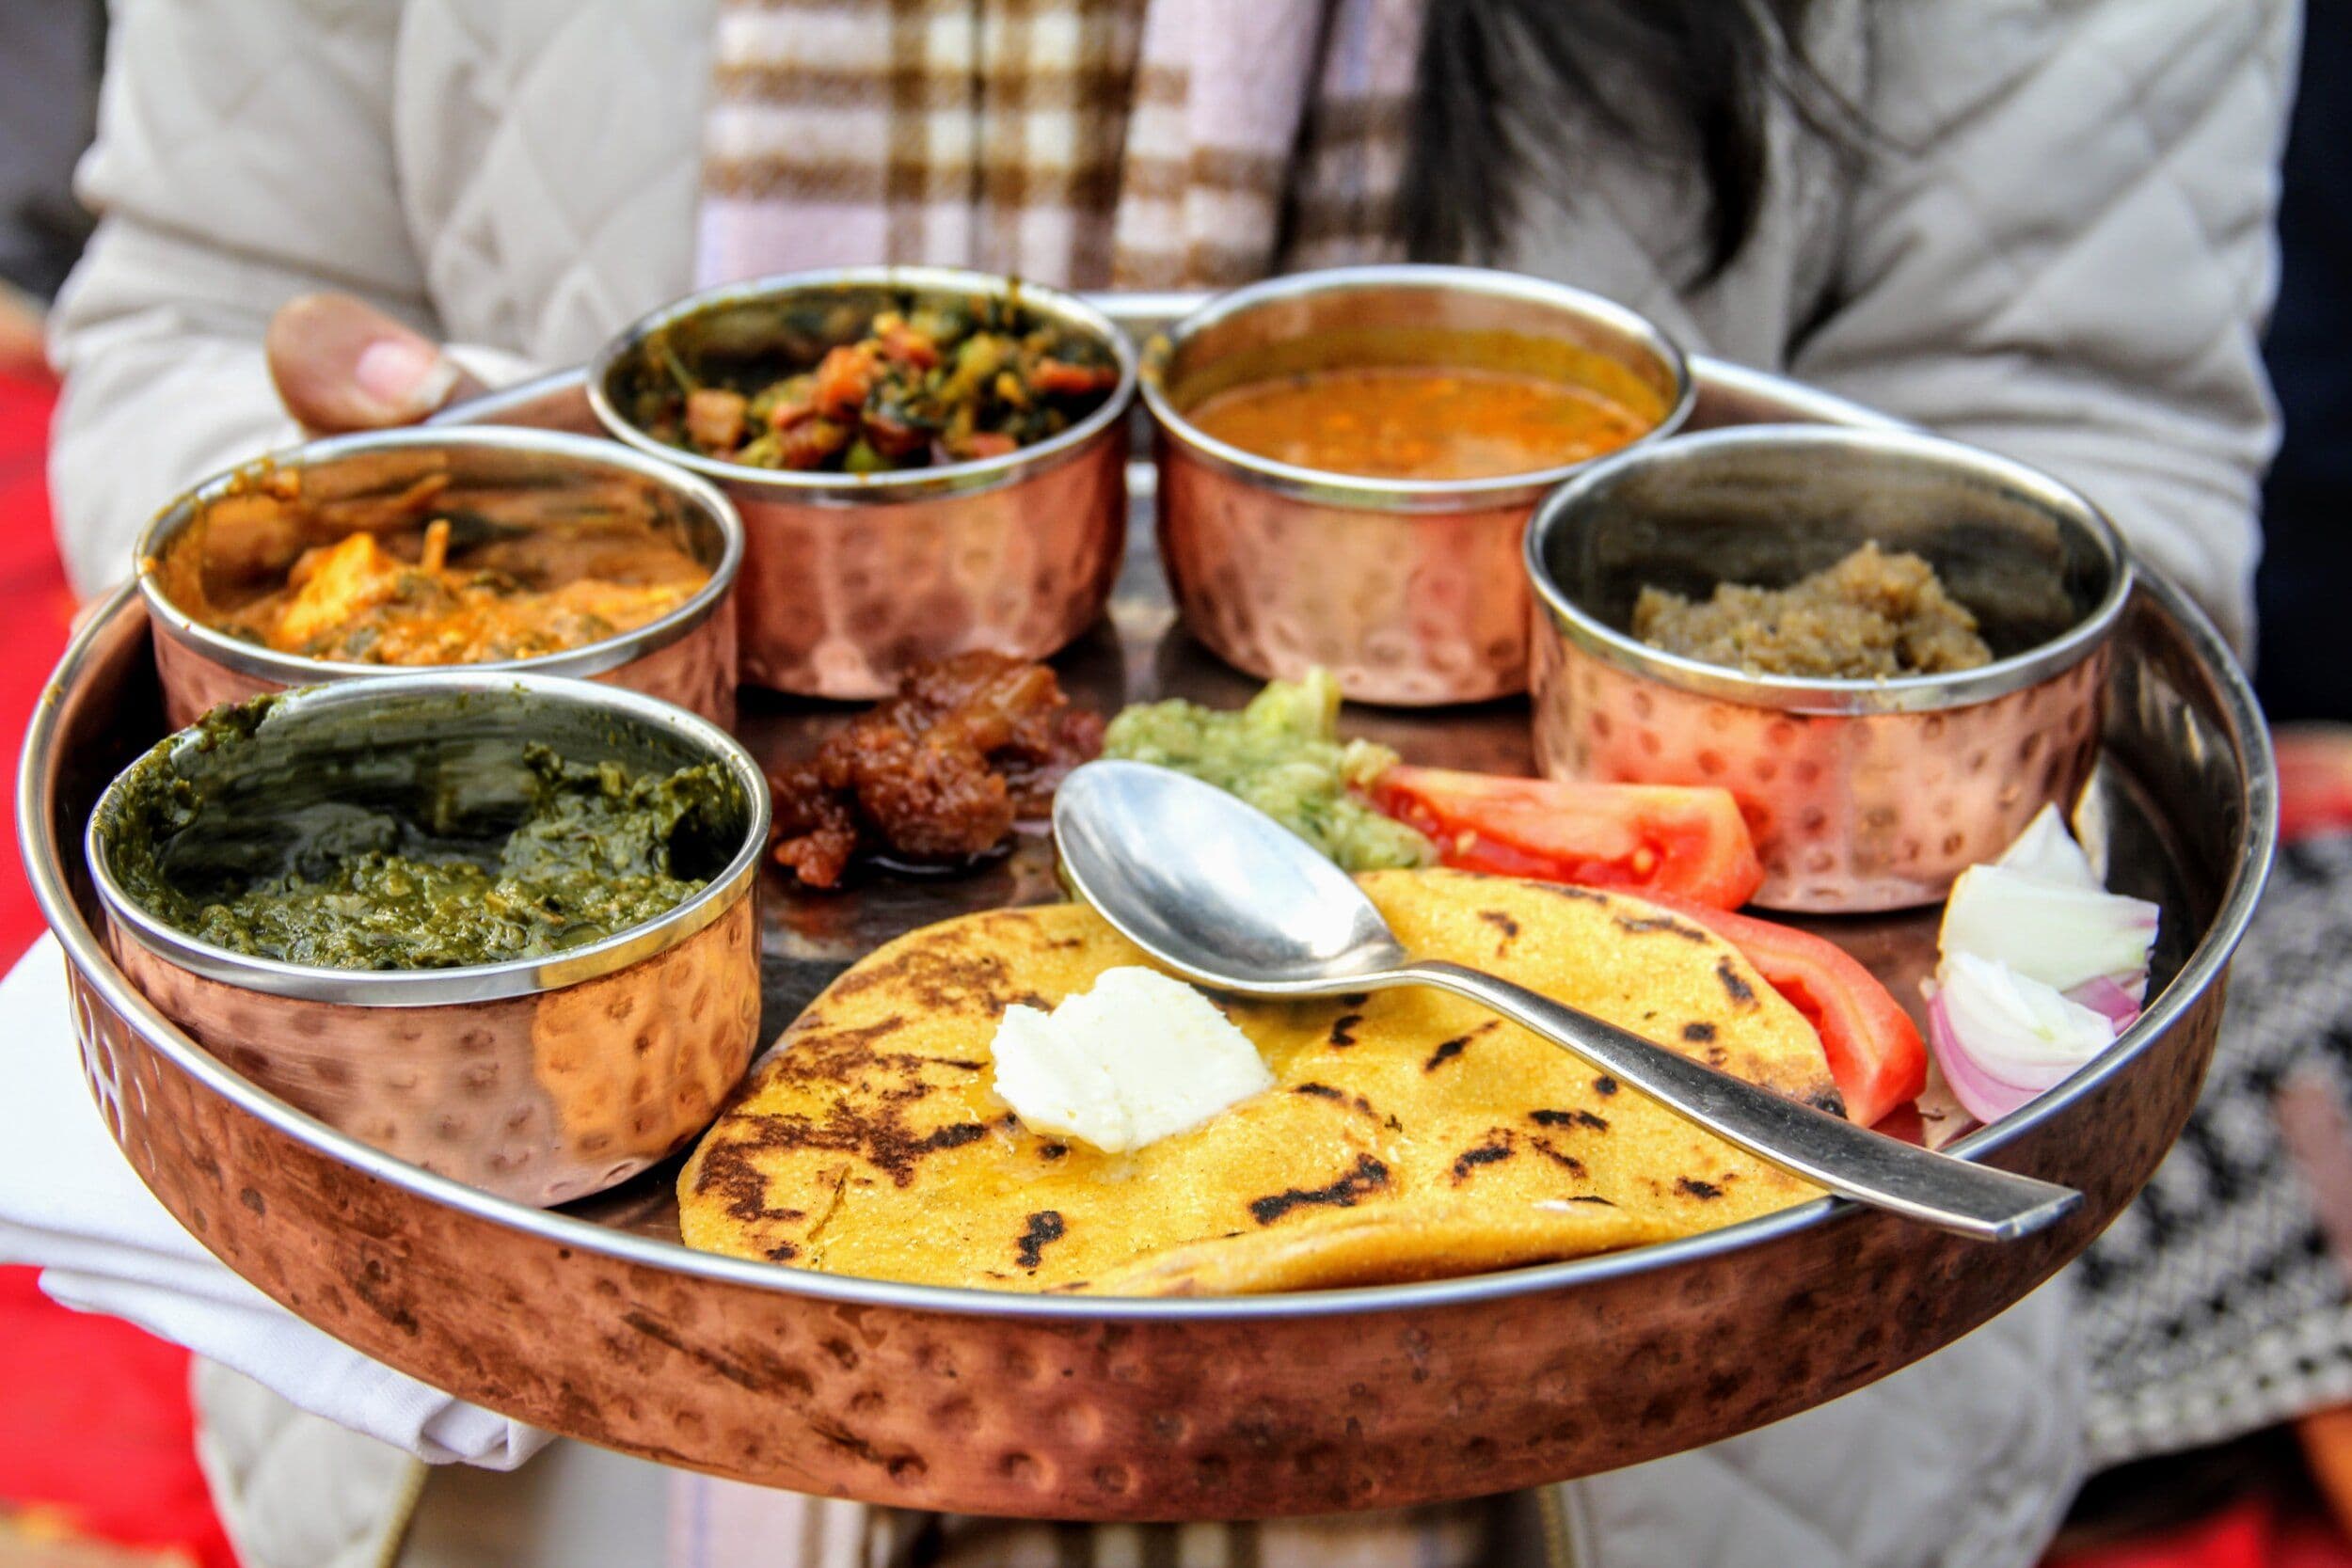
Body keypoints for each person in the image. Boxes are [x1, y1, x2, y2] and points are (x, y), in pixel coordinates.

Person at [32, 2, 2296, 1565]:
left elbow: (2073, 436)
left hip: (1670, 1468)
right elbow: (205, 297)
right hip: (582, 1433)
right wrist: (369, 515)